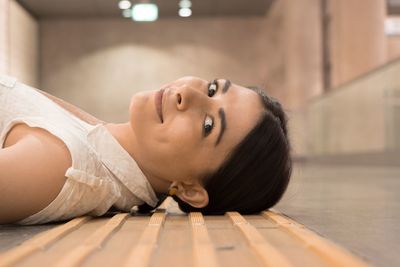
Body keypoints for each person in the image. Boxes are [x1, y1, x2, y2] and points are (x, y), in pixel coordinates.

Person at [0, 74, 292, 224]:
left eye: (207, 125)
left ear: (190, 190)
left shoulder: (65, 165)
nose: (186, 93)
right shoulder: (95, 142)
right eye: (213, 89)